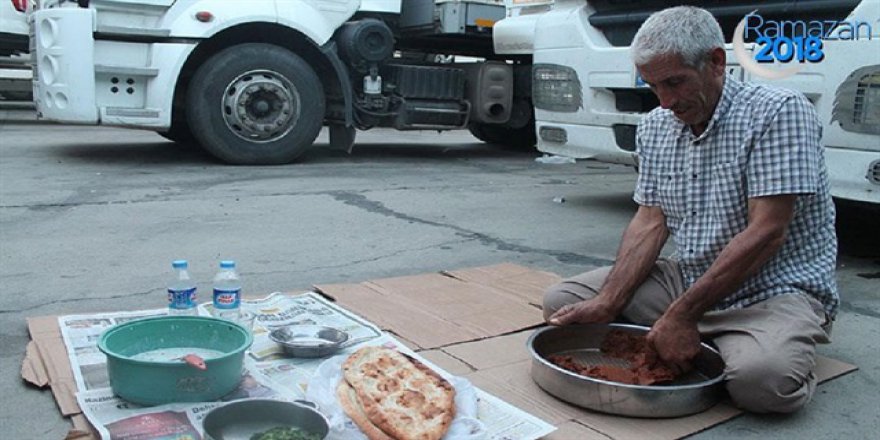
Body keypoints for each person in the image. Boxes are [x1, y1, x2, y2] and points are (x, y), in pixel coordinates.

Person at [543, 6, 837, 413]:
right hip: (691, 277)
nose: (665, 102)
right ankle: (709, 343)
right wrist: (609, 300)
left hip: (772, 290)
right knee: (564, 304)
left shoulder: (778, 111)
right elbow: (650, 222)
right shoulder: (656, 126)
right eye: (653, 86)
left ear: (716, 62)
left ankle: (735, 340)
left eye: (675, 82)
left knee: (763, 384)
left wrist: (681, 315)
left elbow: (767, 232)